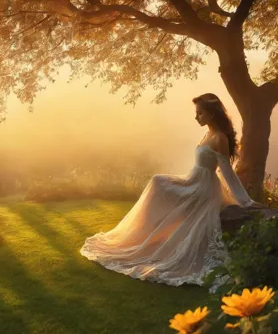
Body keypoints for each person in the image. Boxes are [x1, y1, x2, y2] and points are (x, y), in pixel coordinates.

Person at [80, 93, 264, 287]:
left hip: (202, 187)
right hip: (193, 180)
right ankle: (145, 233)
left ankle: (147, 234)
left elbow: (227, 172)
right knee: (158, 181)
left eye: (200, 113)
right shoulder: (208, 134)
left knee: (158, 183)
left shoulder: (219, 138)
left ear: (211, 114)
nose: (196, 117)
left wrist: (245, 201)